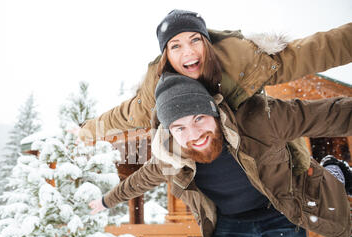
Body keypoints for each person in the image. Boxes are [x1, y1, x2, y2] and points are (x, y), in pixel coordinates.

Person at [88, 73, 352, 237]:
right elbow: (137, 181)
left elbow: (325, 114)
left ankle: (334, 171)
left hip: (279, 213)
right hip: (230, 226)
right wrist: (104, 202)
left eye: (199, 118)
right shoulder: (172, 157)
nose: (193, 135)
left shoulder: (257, 121)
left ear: (214, 112)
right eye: (179, 128)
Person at [78, 9, 352, 177]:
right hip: (215, 168)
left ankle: (328, 177)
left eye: (195, 40)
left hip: (260, 143)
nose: (188, 52)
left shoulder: (243, 63)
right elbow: (125, 115)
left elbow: (315, 50)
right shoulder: (157, 89)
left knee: (300, 127)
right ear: (167, 55)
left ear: (206, 44)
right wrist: (88, 130)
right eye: (176, 46)